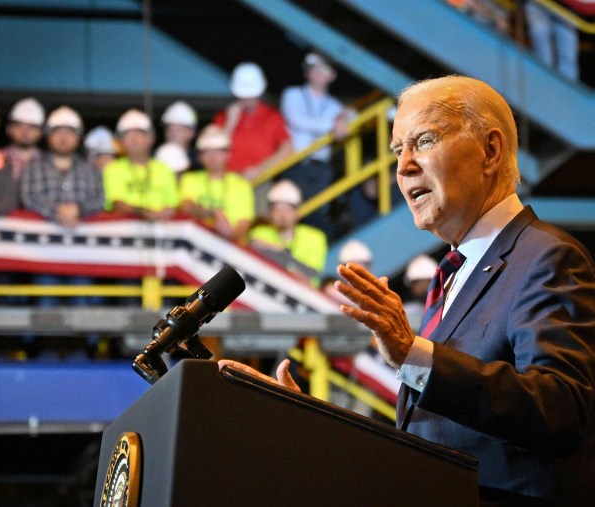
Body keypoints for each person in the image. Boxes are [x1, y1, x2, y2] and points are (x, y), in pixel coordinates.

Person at [222, 75, 595, 504]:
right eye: (399, 151)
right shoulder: (453, 273)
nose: (403, 167)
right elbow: (434, 440)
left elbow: (561, 412)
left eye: (424, 141)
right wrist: (312, 424)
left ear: (489, 151)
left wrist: (413, 354)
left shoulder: (546, 257)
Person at [21, 106, 105, 307]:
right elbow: (28, 196)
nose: (63, 137)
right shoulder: (34, 166)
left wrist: (78, 209)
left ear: (78, 138)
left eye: (69, 132)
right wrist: (57, 212)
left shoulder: (90, 169)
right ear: (48, 136)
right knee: (45, 304)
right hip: (43, 254)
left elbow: (99, 199)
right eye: (58, 132)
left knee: (83, 304)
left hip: (82, 254)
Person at [280, 52, 354, 234]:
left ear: (333, 75)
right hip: (294, 164)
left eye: (325, 69)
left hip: (319, 168)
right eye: (314, 68)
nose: (319, 73)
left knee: (317, 214)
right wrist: (335, 124)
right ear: (307, 72)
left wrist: (346, 117)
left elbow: (352, 121)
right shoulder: (292, 94)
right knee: (290, 207)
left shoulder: (335, 106)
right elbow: (296, 120)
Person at [213, 62, 293, 184]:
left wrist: (260, 170)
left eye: (251, 95)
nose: (247, 99)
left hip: (262, 180)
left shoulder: (273, 116)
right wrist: (230, 123)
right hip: (226, 181)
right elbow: (213, 151)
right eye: (243, 95)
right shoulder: (223, 116)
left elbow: (288, 149)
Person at [179, 124, 255, 242]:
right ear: (199, 157)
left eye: (218, 152)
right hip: (196, 244)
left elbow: (244, 223)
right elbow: (186, 206)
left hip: (232, 249)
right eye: (207, 152)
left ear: (228, 155)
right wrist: (213, 213)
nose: (213, 157)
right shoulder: (190, 179)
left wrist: (230, 237)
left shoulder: (241, 185)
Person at [102, 108, 180, 221]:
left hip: (161, 234)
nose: (134, 139)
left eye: (139, 134)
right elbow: (117, 204)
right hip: (124, 235)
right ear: (120, 141)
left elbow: (173, 205)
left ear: (151, 138)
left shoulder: (163, 169)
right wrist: (143, 212)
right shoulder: (112, 169)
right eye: (128, 134)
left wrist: (164, 213)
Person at [248, 179, 327, 287]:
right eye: (277, 209)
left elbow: (311, 274)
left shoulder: (315, 237)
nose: (282, 215)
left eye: (287, 209)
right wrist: (292, 265)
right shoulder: (260, 232)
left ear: (297, 213)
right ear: (270, 213)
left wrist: (276, 251)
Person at [4, 97, 45, 180]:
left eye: (31, 127)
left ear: (40, 132)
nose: (25, 132)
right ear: (9, 129)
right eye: (19, 126)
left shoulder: (47, 163)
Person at [158, 100, 199, 171]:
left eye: (178, 130)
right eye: (169, 130)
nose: (172, 134)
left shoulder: (199, 161)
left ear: (191, 133)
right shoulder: (155, 159)